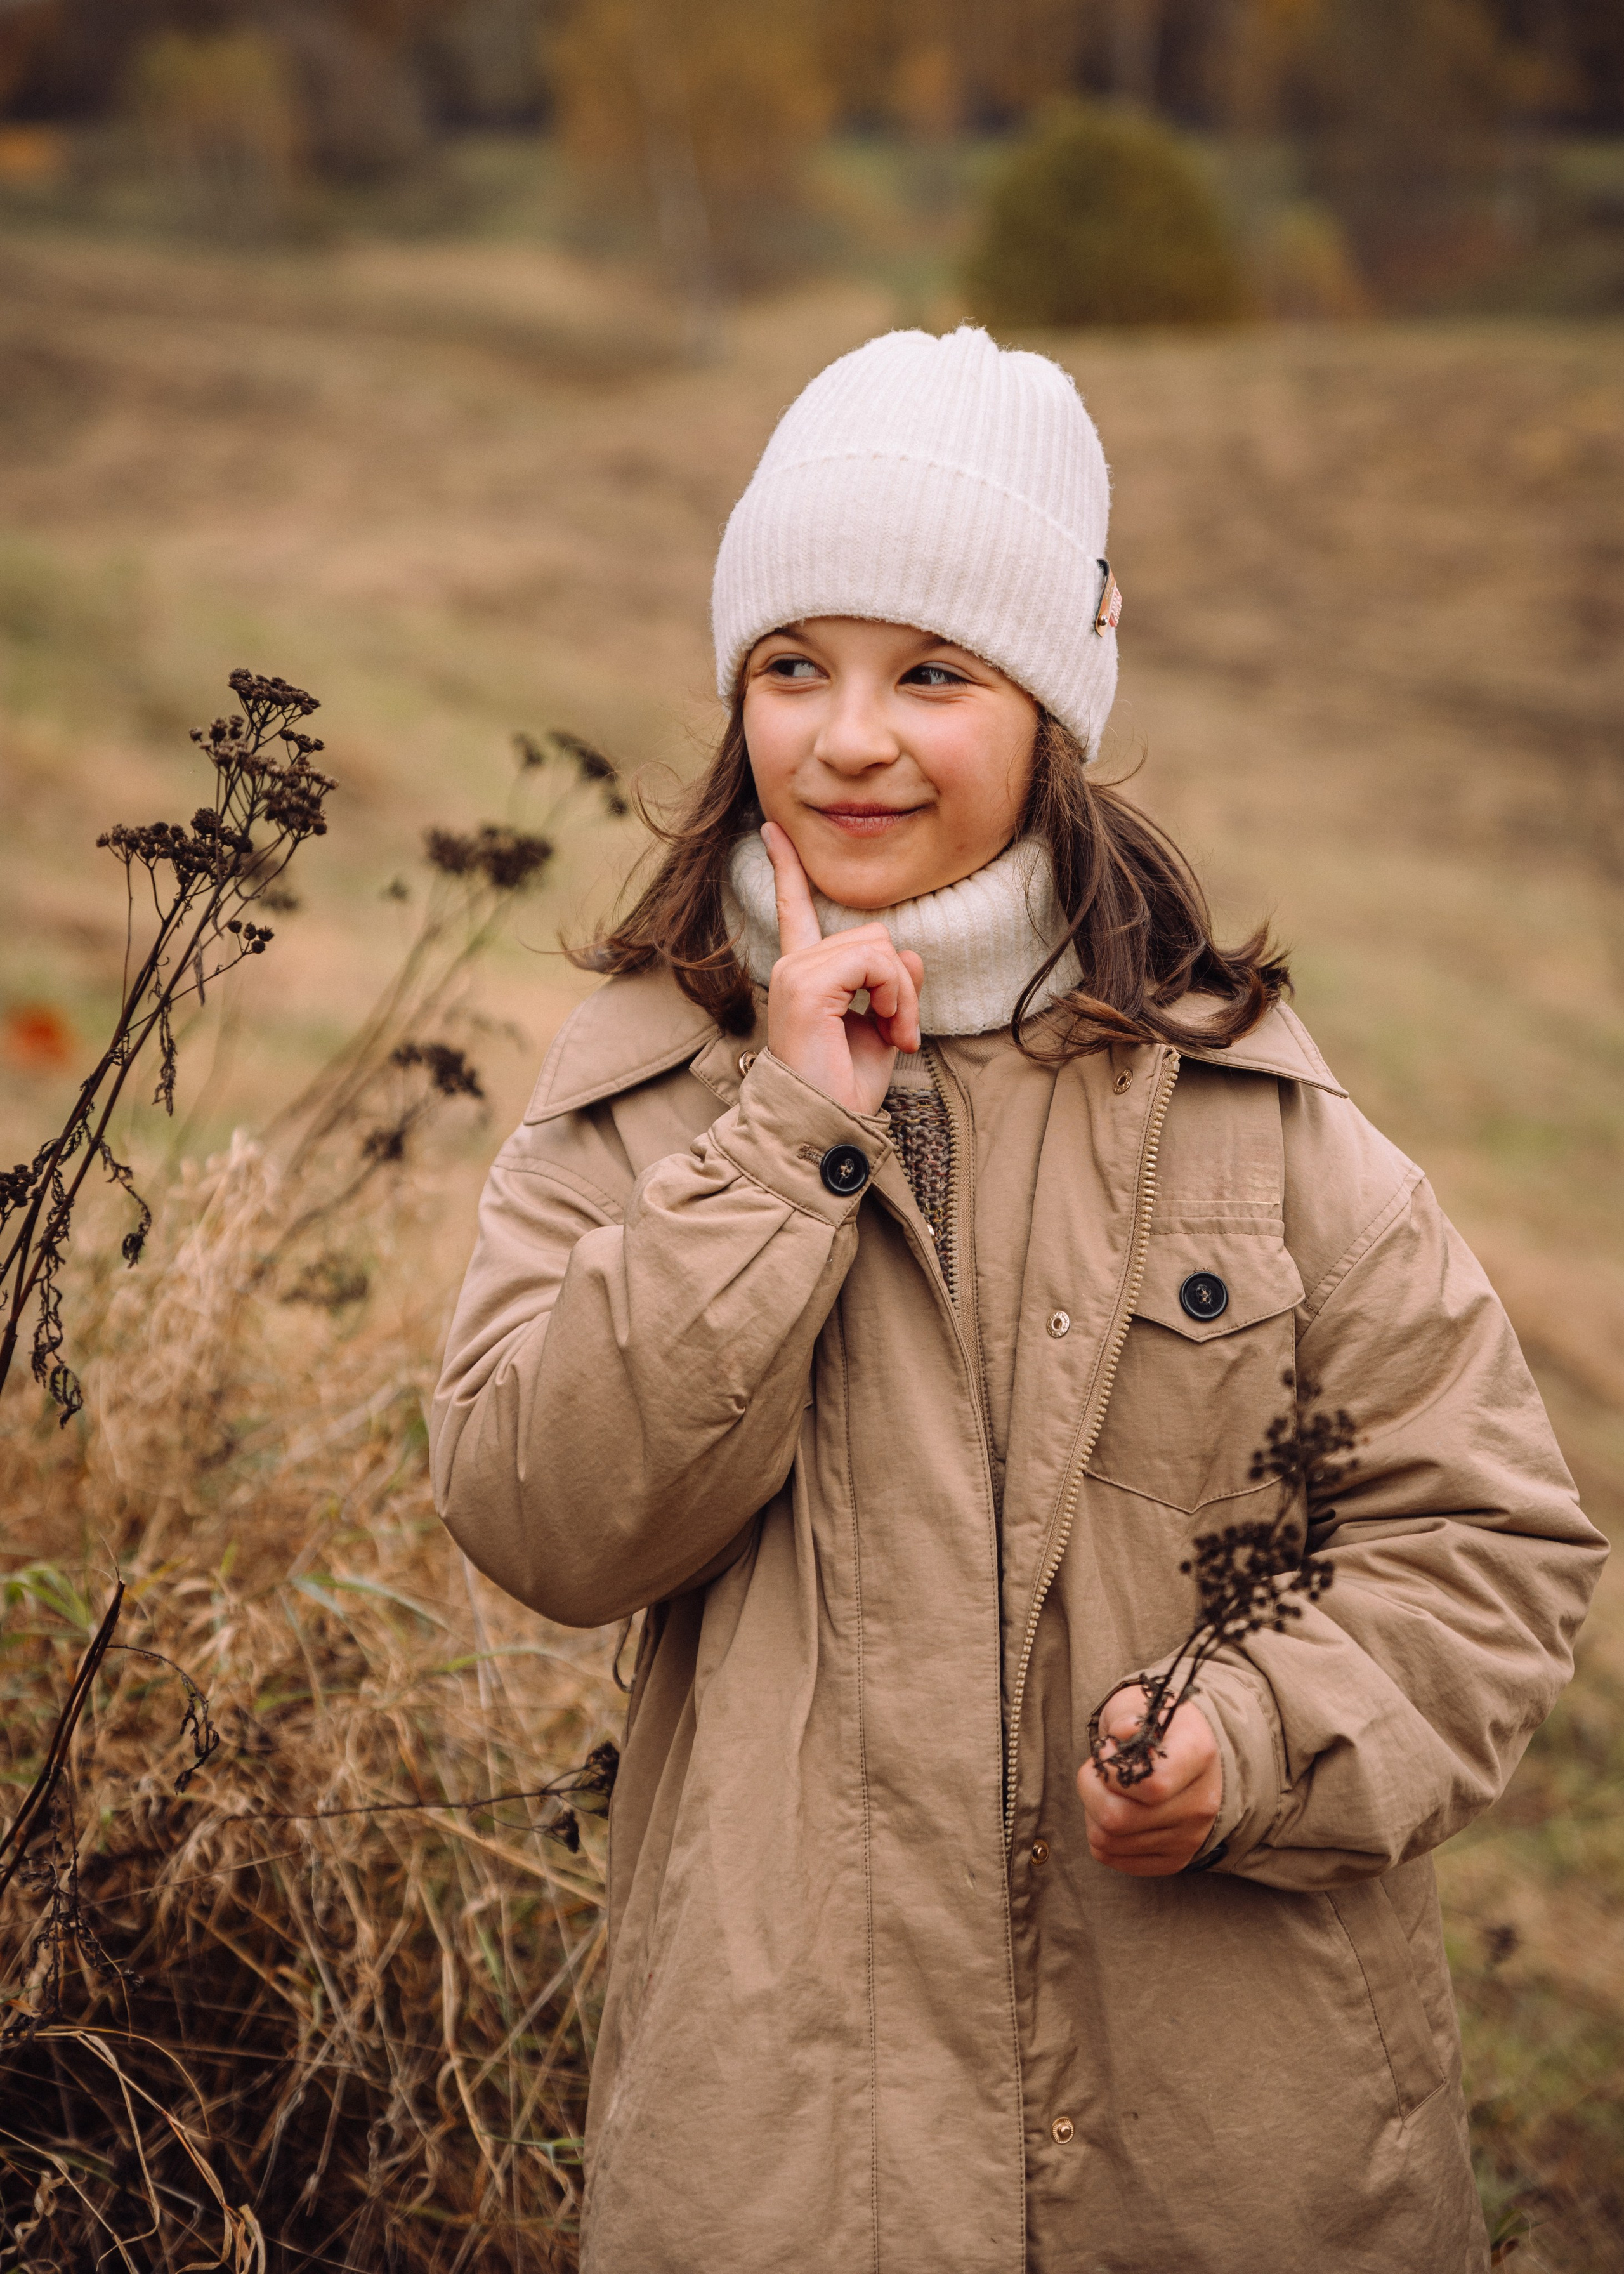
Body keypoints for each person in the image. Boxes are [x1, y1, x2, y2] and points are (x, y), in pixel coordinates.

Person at [430, 327, 1604, 2274]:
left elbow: (1486, 1544)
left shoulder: (1248, 1115)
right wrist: (785, 1135)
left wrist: (1256, 1738)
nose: (850, 738)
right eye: (793, 666)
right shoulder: (651, 1092)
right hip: (791, 2165)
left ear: (1055, 701)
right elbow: (542, 1515)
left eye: (933, 673)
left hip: (1228, 2158)